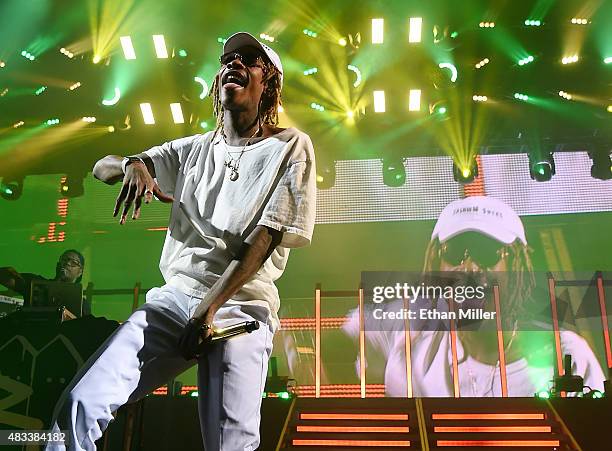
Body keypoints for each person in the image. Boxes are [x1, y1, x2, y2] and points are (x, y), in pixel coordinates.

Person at [47, 31, 316, 451]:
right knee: (80, 405)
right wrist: (133, 163)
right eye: (228, 58)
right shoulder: (193, 149)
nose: (234, 63)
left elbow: (265, 238)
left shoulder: (290, 147)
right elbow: (101, 168)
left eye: (250, 58)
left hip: (240, 307)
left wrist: (209, 310)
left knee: (230, 445)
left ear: (270, 84)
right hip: (176, 299)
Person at [344, 196, 605, 397]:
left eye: (487, 252)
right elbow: (330, 343)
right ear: (436, 262)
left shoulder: (567, 355)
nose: (469, 267)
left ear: (516, 266)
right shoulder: (408, 336)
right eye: (455, 252)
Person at [0, 249, 90, 315]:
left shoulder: (82, 303)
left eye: (74, 262)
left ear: (80, 272)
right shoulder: (35, 282)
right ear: (58, 264)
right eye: (64, 260)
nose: (67, 263)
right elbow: (6, 278)